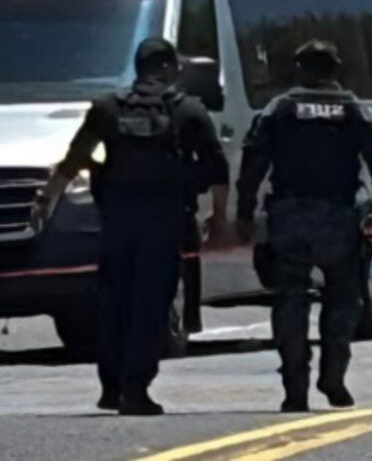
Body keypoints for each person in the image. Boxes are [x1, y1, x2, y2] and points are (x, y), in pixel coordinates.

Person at [33, 38, 230, 415]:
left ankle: (111, 386)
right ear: (170, 68)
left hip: (116, 221)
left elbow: (73, 159)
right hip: (163, 221)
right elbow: (216, 169)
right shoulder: (188, 110)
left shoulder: (108, 107)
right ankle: (135, 387)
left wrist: (45, 201)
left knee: (114, 302)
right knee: (151, 306)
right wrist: (219, 220)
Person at [235, 40, 372, 413]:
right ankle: (333, 375)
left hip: (289, 216)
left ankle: (295, 387)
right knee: (343, 297)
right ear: (335, 69)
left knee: (290, 299)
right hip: (337, 217)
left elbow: (253, 163)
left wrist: (244, 214)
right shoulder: (357, 110)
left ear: (300, 68)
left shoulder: (280, 108)